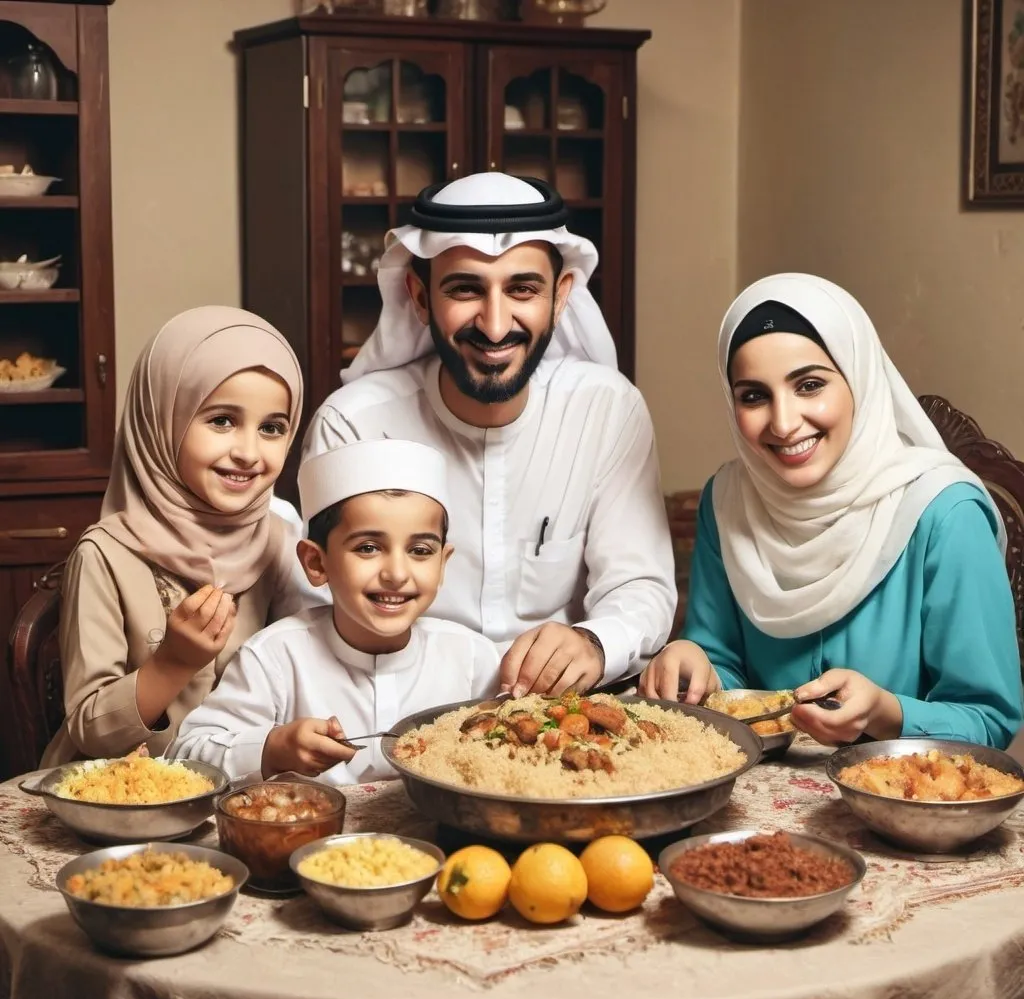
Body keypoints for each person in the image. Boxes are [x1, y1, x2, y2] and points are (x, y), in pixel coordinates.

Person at [303, 172, 676, 698]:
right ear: (419, 295)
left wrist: (593, 642)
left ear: (561, 295)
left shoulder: (606, 408)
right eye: (466, 289)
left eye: (522, 288)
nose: (496, 325)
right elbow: (321, 610)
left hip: (564, 715)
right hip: (395, 717)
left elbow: (640, 585)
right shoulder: (355, 424)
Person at [642, 273, 1023, 749]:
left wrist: (887, 712)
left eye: (809, 385)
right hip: (758, 797)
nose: (783, 423)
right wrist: (691, 662)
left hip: (904, 799)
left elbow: (989, 719)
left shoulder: (944, 513)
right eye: (754, 396)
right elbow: (723, 669)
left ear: (859, 379)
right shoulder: (727, 501)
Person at [41, 307, 323, 767]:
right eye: (221, 420)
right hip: (119, 799)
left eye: (272, 427)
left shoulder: (281, 542)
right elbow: (90, 732)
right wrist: (173, 661)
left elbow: (305, 676)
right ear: (162, 418)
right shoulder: (105, 554)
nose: (248, 452)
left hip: (244, 793)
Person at [169, 439, 501, 785]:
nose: (397, 573)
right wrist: (270, 750)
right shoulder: (275, 657)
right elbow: (186, 754)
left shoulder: (473, 657)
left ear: (443, 563)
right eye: (368, 548)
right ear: (315, 562)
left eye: (420, 550)